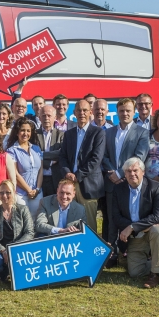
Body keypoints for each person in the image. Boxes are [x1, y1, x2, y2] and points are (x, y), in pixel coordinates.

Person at [103, 98, 149, 253]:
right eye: (121, 110)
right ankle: (112, 252)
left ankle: (128, 251)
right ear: (117, 112)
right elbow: (103, 156)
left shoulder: (142, 132)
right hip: (111, 182)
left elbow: (139, 156)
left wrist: (120, 173)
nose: (125, 113)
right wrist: (112, 173)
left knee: (129, 217)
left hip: (130, 182)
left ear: (134, 111)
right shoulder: (108, 132)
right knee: (111, 219)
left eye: (128, 110)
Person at [112, 157, 159, 288]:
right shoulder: (118, 189)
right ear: (124, 174)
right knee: (134, 272)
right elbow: (116, 216)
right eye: (128, 171)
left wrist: (132, 226)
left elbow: (157, 217)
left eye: (135, 170)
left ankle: (155, 273)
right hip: (136, 236)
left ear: (143, 171)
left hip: (152, 232)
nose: (132, 174)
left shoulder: (155, 187)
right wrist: (133, 229)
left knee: (157, 229)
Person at [58, 99, 106, 231]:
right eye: (79, 110)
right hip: (69, 183)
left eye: (85, 110)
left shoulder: (98, 133)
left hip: (88, 185)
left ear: (90, 112)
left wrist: (77, 176)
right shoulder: (69, 134)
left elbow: (96, 159)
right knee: (70, 223)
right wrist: (67, 173)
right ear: (74, 113)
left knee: (89, 224)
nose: (82, 113)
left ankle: (90, 250)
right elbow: (62, 157)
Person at [0, 180, 35, 279]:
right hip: (1, 250)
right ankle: (4, 270)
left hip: (19, 247)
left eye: (8, 192)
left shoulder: (23, 209)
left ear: (14, 192)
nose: (4, 195)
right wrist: (4, 251)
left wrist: (13, 248)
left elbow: (29, 232)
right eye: (1, 192)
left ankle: (8, 271)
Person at [6, 119, 44, 216]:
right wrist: (29, 190)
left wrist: (38, 189)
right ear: (17, 132)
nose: (25, 133)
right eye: (22, 130)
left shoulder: (37, 148)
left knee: (36, 221)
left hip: (37, 193)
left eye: (28, 131)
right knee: (22, 222)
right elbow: (15, 174)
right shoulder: (11, 151)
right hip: (20, 194)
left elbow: (40, 170)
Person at [35, 105, 64, 197]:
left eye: (49, 115)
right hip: (38, 179)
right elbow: (33, 154)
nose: (46, 118)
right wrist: (50, 162)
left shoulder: (61, 135)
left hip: (55, 178)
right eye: (43, 115)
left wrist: (42, 154)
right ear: (39, 117)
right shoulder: (34, 134)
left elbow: (61, 153)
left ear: (55, 117)